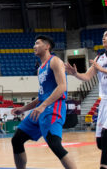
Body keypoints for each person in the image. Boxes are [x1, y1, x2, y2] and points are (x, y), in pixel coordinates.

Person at [11, 35, 76, 169]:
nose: (34, 46)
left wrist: (43, 106)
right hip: (41, 108)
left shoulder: (55, 61)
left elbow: (62, 87)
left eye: (37, 43)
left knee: (55, 144)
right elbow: (41, 96)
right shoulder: (40, 68)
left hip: (54, 107)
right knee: (16, 140)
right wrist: (23, 109)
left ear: (47, 46)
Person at [65, 30, 107, 169]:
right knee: (100, 143)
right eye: (103, 37)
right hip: (104, 101)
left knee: (106, 135)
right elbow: (87, 77)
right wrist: (75, 74)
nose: (104, 39)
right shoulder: (99, 58)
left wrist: (101, 69)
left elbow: (101, 70)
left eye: (106, 36)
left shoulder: (100, 64)